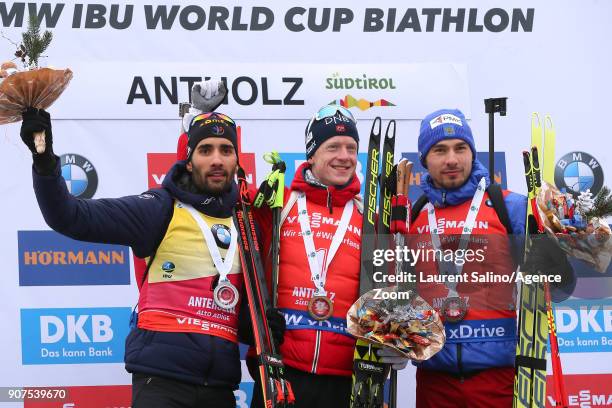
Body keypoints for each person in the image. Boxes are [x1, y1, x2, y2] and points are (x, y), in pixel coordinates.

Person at [20, 107, 283, 408]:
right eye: (205, 149)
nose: (216, 160)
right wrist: (43, 160)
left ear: (237, 160)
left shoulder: (245, 224)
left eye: (226, 150)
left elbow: (237, 314)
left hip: (221, 389)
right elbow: (69, 216)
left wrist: (261, 326)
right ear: (188, 158)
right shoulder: (159, 208)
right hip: (162, 384)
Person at [246, 104, 410, 407]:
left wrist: (396, 342)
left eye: (351, 147)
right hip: (282, 371)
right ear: (312, 154)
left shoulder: (370, 219)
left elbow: (390, 296)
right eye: (333, 146)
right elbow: (239, 246)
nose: (344, 156)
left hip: (348, 379)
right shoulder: (279, 206)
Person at [408, 108, 573, 407]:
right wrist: (388, 340)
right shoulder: (413, 216)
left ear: (472, 152)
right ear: (424, 159)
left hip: (500, 382)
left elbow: (562, 288)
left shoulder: (508, 206)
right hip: (434, 385)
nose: (452, 160)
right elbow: (394, 292)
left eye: (461, 148)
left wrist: (553, 261)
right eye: (439, 150)